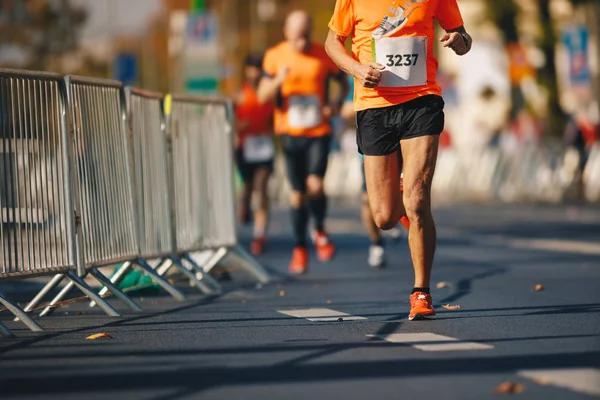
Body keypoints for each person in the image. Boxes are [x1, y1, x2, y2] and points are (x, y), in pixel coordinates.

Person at [326, 0, 472, 320]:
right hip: (373, 108)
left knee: (418, 202)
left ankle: (421, 292)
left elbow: (462, 37)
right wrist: (356, 68)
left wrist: (461, 41)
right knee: (384, 217)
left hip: (422, 101)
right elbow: (332, 42)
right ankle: (402, 195)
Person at [258, 10, 350, 274]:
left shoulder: (323, 54)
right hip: (289, 133)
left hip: (318, 131)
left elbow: (343, 84)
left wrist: (334, 104)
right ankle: (300, 248)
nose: (302, 42)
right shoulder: (275, 56)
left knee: (316, 184)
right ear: (286, 32)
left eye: (306, 35)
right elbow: (263, 95)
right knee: (298, 194)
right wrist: (278, 79)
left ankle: (319, 229)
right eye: (297, 36)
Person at [340, 76, 409, 269]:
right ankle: (376, 243)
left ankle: (395, 216)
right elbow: (345, 109)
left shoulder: (399, 65)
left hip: (400, 141)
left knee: (400, 187)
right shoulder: (359, 70)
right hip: (372, 148)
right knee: (367, 199)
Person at [235, 53, 275, 255]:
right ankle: (244, 204)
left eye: (259, 68)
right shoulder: (239, 94)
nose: (255, 73)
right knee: (249, 185)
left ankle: (260, 234)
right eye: (252, 68)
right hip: (245, 146)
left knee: (262, 187)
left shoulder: (270, 92)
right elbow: (228, 120)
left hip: (264, 145)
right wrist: (238, 126)